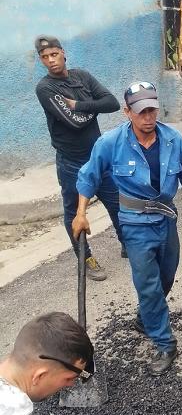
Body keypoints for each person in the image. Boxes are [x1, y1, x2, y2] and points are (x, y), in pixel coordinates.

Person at [73, 81, 182, 376]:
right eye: (141, 111)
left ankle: (145, 317)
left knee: (166, 275)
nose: (148, 117)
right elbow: (88, 176)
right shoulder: (110, 143)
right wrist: (80, 213)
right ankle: (165, 342)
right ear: (128, 112)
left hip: (166, 220)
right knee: (149, 285)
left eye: (152, 109)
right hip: (134, 224)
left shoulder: (172, 140)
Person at [34, 36, 124, 280]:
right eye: (45, 57)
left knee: (117, 204)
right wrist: (93, 106)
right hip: (71, 162)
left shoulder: (82, 76)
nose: (51, 60)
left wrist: (79, 104)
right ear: (41, 60)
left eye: (54, 54)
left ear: (63, 53)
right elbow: (74, 123)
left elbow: (113, 103)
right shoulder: (45, 88)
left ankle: (128, 244)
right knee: (75, 213)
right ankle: (86, 259)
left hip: (98, 157)